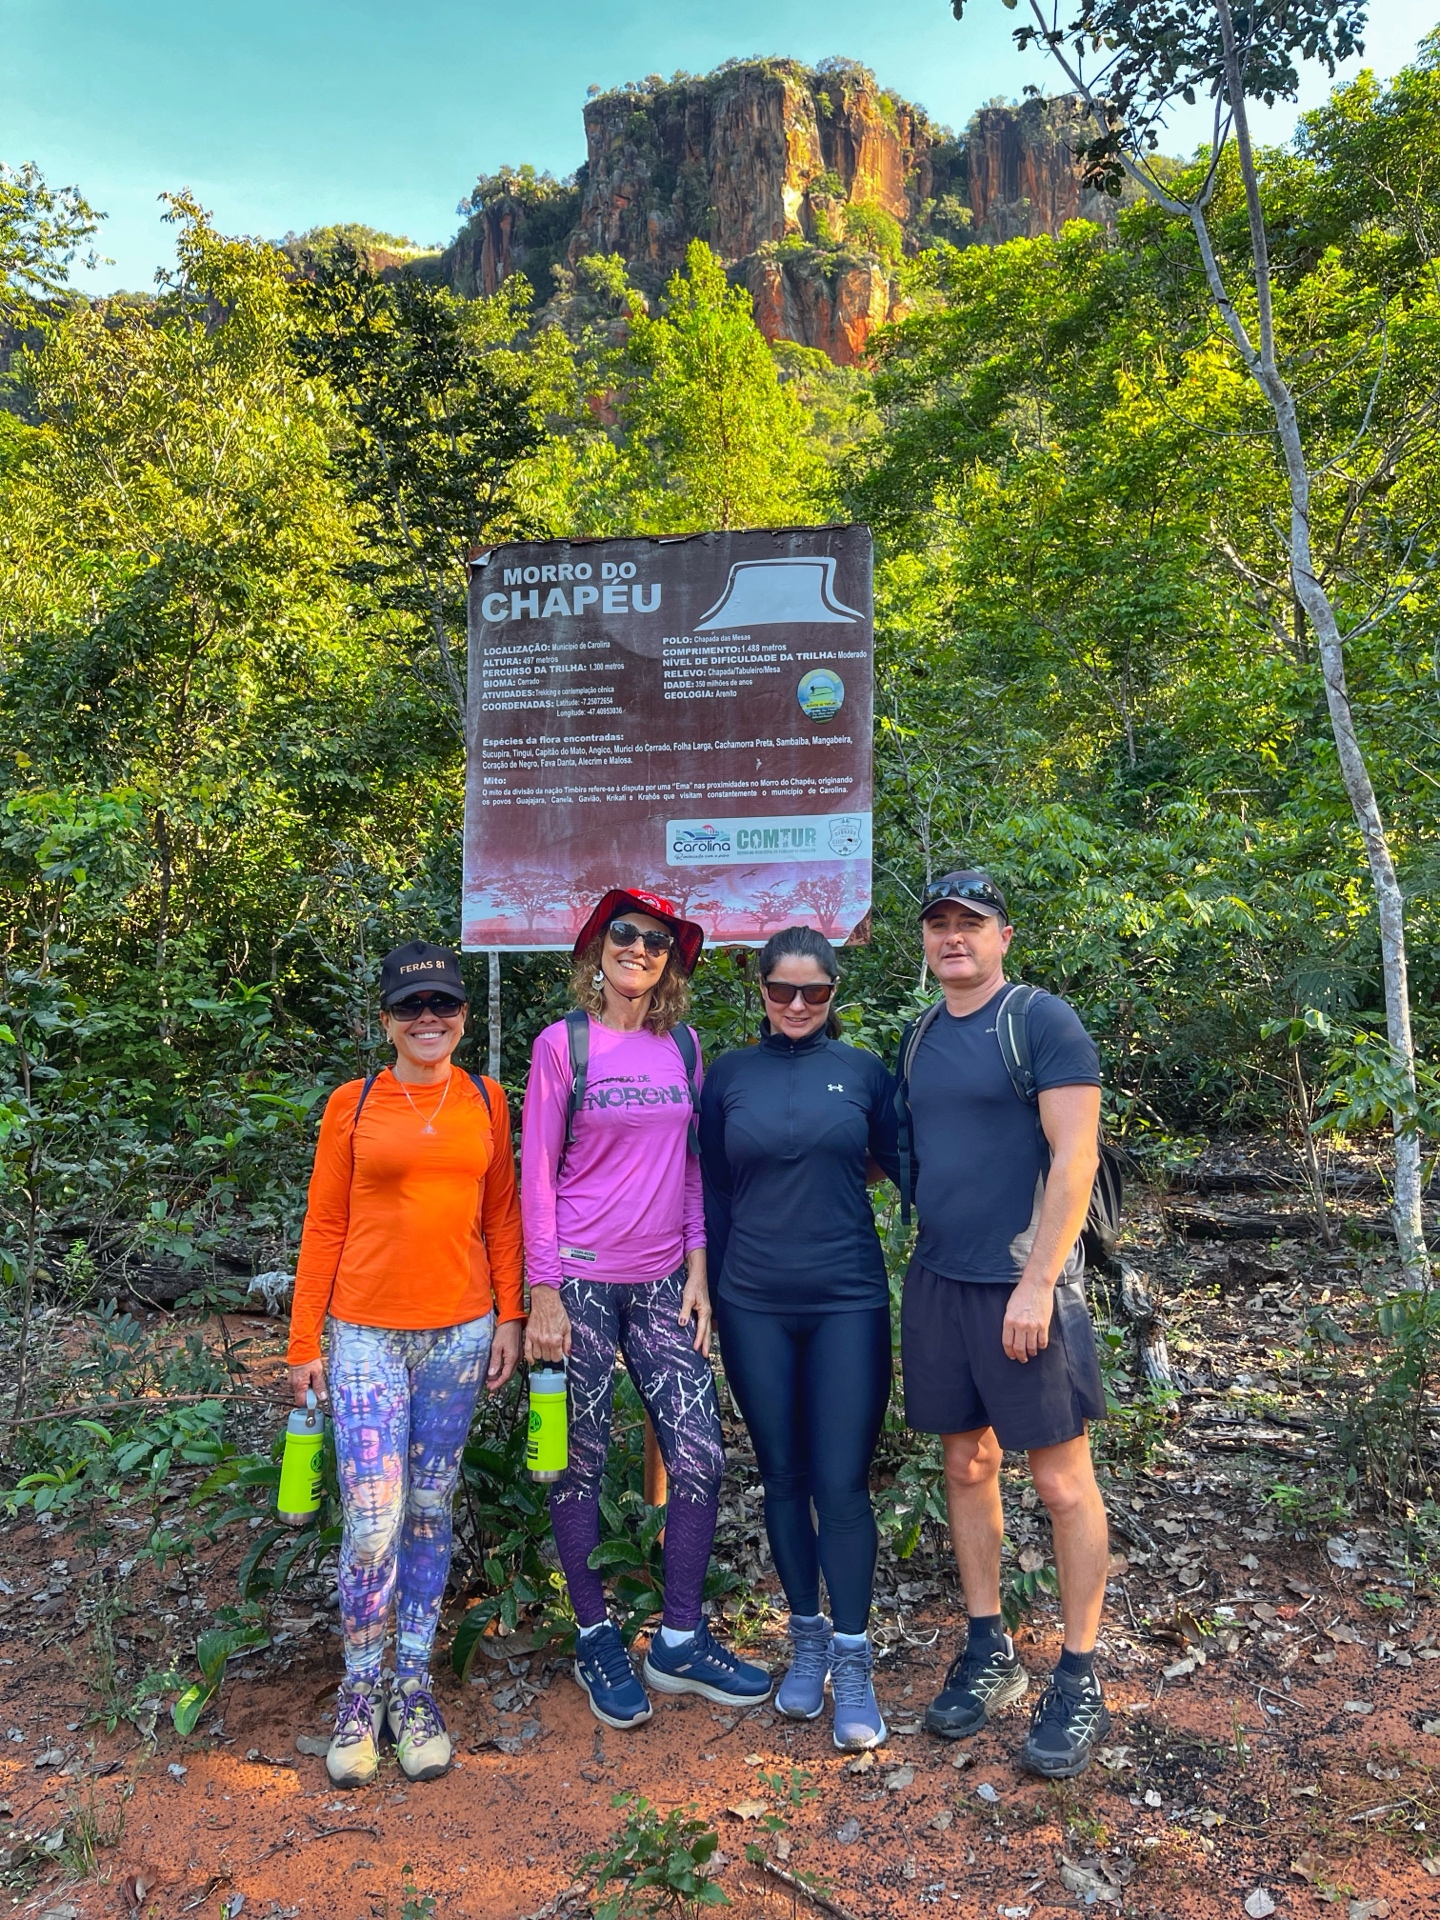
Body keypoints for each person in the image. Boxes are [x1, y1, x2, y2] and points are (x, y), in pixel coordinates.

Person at [521, 887, 771, 1729]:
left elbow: (696, 1170)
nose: (638, 949)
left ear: (672, 961)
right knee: (576, 1462)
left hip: (667, 1280)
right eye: (624, 935)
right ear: (599, 948)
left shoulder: (684, 1048)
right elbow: (537, 1177)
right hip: (582, 1285)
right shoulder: (564, 1046)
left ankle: (679, 1638)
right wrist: (543, 1291)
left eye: (656, 941)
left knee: (700, 1456)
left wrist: (700, 1271)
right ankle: (594, 1631)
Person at [287, 941, 523, 1789]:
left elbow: (502, 1217)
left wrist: (513, 1314)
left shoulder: (487, 1099)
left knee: (429, 1508)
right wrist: (302, 1341)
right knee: (374, 1516)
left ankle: (413, 1687)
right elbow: (323, 1226)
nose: (430, 1019)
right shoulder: (353, 1105)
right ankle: (360, 1690)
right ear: (385, 1019)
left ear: (463, 1016)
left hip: (462, 1333)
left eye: (445, 1006)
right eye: (412, 1006)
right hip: (364, 1334)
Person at [896, 871, 1113, 1779]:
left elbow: (1076, 1156)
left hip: (1024, 1284)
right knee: (965, 1461)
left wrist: (1036, 1282)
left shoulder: (1042, 1022)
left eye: (970, 925)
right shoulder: (917, 1038)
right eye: (940, 925)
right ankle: (989, 1649)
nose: (954, 939)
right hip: (941, 1278)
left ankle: (1079, 1671)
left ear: (1003, 937)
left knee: (1061, 1485)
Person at [700, 926, 899, 1751]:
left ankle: (852, 1658)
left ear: (833, 996)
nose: (795, 1005)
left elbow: (890, 1160)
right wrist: (705, 1292)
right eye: (781, 990)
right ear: (761, 991)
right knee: (781, 1475)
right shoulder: (728, 1076)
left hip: (847, 1297)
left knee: (841, 1482)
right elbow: (708, 1184)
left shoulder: (863, 1074)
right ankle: (807, 1636)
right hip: (751, 1300)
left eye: (812, 993)